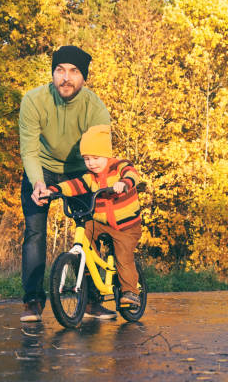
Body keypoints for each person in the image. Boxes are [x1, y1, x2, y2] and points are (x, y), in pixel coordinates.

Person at [19, 45, 113, 322]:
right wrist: (38, 183)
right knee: (35, 232)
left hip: (80, 171)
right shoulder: (33, 101)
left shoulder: (95, 109)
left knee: (90, 230)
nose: (66, 78)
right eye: (60, 70)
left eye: (73, 72)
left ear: (84, 78)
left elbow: (101, 157)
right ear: (52, 73)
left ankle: (92, 301)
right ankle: (33, 301)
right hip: (42, 169)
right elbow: (29, 150)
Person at [43, 124, 143, 308]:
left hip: (126, 227)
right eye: (87, 159)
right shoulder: (91, 177)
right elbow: (75, 185)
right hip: (102, 223)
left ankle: (130, 292)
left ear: (107, 154)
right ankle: (88, 268)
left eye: (96, 158)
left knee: (123, 257)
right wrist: (53, 190)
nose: (91, 163)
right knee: (85, 228)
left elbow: (132, 174)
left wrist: (124, 183)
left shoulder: (120, 166)